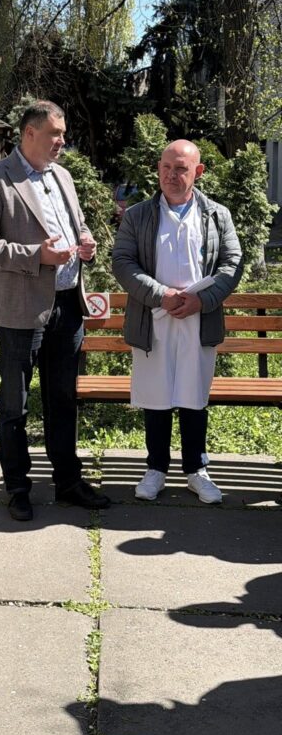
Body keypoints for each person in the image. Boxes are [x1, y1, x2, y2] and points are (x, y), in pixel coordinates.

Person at [0, 100, 110, 521]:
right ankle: (17, 488)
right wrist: (36, 255)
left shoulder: (62, 176)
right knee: (15, 404)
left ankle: (68, 481)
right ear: (29, 133)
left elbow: (78, 224)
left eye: (63, 134)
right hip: (21, 310)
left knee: (63, 398)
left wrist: (86, 244)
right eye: (54, 134)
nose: (62, 141)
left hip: (68, 304)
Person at [112, 139, 243, 504]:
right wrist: (161, 295)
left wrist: (203, 299)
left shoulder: (217, 215)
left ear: (198, 172)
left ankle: (196, 470)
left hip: (199, 317)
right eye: (166, 167)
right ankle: (155, 469)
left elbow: (232, 262)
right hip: (153, 316)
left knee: (193, 395)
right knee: (156, 395)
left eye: (181, 169)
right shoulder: (138, 215)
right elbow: (122, 262)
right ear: (158, 169)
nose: (171, 175)